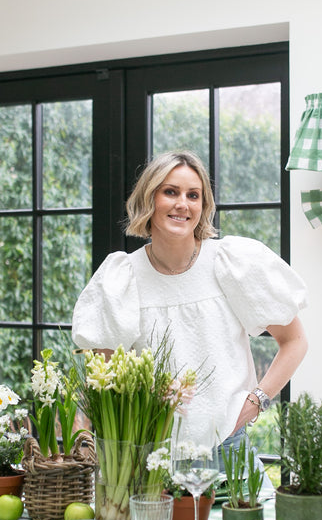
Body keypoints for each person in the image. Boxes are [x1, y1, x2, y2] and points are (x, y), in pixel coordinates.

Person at [71, 149, 308, 449]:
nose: (182, 204)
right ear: (149, 199)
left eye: (193, 195)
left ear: (203, 205)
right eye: (170, 192)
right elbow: (104, 373)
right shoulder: (122, 276)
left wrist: (255, 402)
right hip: (149, 452)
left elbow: (295, 341)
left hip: (227, 446)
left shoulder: (229, 263)